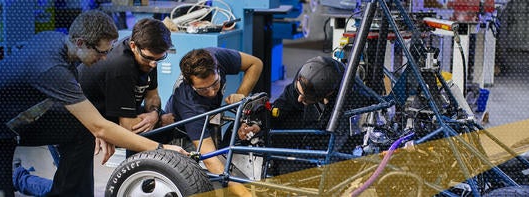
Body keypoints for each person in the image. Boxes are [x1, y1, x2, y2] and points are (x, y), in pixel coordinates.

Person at [0, 10, 186, 197]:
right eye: (101, 52)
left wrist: (98, 129)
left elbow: (94, 124)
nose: (104, 58)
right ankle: (16, 177)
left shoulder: (57, 41)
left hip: (20, 117)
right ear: (80, 43)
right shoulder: (52, 69)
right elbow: (100, 126)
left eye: (108, 51)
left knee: (82, 130)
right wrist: (161, 147)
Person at [238, 56, 379, 175]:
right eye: (298, 92)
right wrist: (259, 124)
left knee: (291, 170)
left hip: (337, 142)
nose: (299, 99)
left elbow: (338, 150)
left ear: (326, 95)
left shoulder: (352, 100)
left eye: (304, 97)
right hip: (312, 130)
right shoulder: (307, 74)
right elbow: (283, 105)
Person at [161, 47, 263, 196]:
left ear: (218, 69)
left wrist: (241, 94)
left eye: (215, 83)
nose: (212, 92)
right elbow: (210, 159)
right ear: (191, 85)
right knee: (208, 181)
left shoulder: (214, 57)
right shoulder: (188, 103)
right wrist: (246, 195)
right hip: (182, 134)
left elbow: (256, 64)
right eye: (203, 90)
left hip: (208, 119)